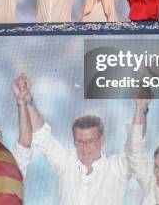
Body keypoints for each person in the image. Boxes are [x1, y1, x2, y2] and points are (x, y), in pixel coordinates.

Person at [23, 74, 134, 204]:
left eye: (90, 141)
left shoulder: (116, 168)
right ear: (74, 142)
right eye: (80, 142)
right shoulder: (66, 162)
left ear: (102, 140)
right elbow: (42, 136)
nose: (84, 147)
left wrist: (141, 109)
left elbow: (135, 148)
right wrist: (28, 99)